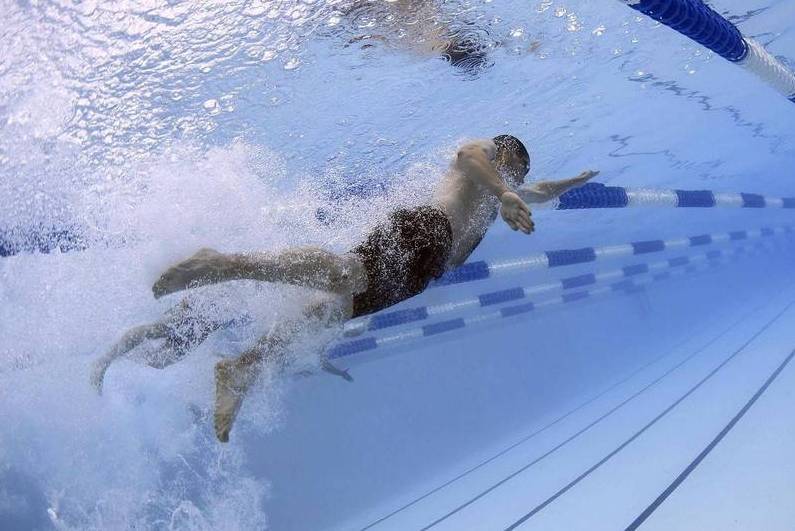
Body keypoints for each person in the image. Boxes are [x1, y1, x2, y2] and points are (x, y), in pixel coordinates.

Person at [143, 135, 597, 442]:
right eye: (512, 169)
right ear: (501, 153)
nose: (514, 180)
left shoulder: (507, 187)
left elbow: (536, 191)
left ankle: (243, 367)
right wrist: (503, 193)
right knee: (345, 275)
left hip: (423, 272)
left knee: (326, 313)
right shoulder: (484, 159)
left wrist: (570, 182)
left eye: (516, 176)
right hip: (426, 228)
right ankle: (220, 264)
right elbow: (466, 158)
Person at [91, 298, 352, 396]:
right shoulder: (294, 310)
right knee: (162, 330)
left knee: (164, 359)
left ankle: (120, 357)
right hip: (205, 305)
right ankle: (104, 360)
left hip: (209, 322)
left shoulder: (303, 339)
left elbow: (319, 359)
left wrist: (338, 372)